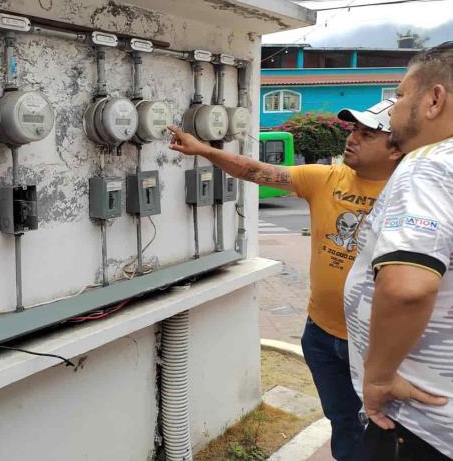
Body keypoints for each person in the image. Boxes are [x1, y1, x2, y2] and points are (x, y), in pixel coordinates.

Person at [168, 99, 403, 461]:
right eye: (353, 130)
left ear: (396, 148)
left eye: (366, 134)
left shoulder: (411, 193)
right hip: (321, 334)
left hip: (376, 344)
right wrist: (202, 150)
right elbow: (256, 171)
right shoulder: (326, 178)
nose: (352, 138)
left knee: (386, 431)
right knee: (343, 422)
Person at [344, 42, 453, 460]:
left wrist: (379, 378)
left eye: (401, 94)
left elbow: (407, 287)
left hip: (422, 425)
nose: (391, 109)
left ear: (434, 100)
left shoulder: (428, 165)